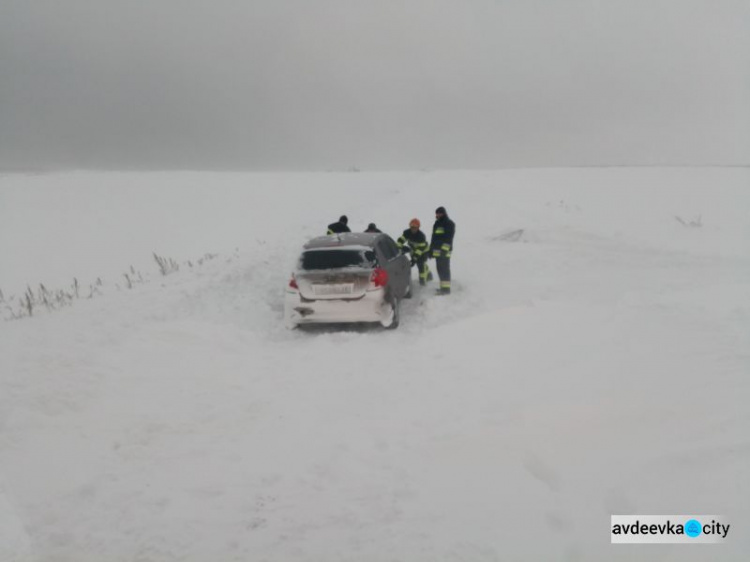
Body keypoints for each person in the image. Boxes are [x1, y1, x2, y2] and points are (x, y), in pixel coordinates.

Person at [397, 218, 432, 286]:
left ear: (418, 227)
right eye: (412, 227)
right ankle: (429, 274)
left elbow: (419, 250)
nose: (413, 229)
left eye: (415, 227)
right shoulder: (407, 232)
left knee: (420, 265)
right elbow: (401, 240)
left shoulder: (421, 236)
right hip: (414, 250)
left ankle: (422, 282)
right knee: (421, 264)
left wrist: (414, 259)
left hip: (423, 251)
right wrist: (399, 247)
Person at [429, 206, 455, 294]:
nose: (438, 215)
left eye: (440, 213)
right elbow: (434, 238)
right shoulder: (436, 224)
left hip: (444, 252)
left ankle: (446, 289)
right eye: (437, 213)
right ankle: (443, 287)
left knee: (444, 270)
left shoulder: (449, 223)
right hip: (437, 253)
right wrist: (431, 250)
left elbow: (449, 238)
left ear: (444, 213)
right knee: (440, 269)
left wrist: (444, 250)